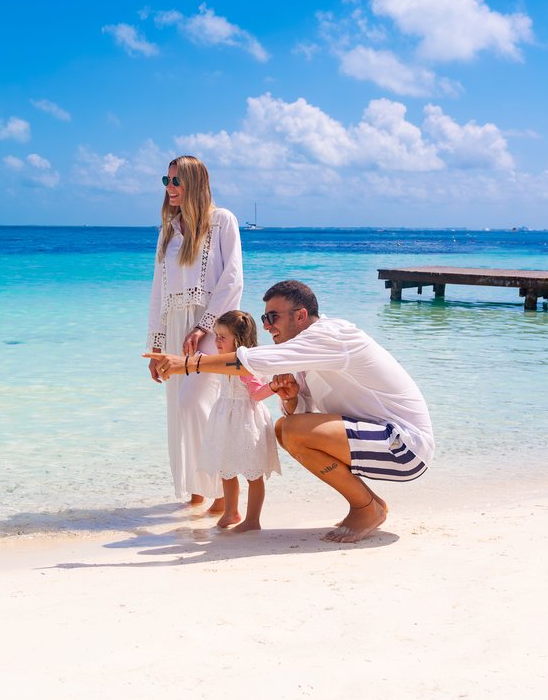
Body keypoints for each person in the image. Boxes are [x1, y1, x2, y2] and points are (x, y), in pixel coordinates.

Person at [146, 280, 432, 543]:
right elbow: (302, 413)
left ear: (301, 316)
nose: (268, 326)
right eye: (264, 318)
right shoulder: (308, 353)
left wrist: (187, 364)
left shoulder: (332, 335)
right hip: (378, 441)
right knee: (286, 428)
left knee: (292, 430)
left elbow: (254, 361)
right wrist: (293, 399)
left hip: (404, 446)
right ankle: (370, 505)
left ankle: (366, 508)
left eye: (273, 317)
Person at [145, 155, 244, 510]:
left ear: (194, 183)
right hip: (174, 329)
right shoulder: (168, 230)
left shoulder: (222, 222)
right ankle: (197, 490)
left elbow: (233, 280)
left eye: (176, 181)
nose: (169, 188)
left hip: (210, 327)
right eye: (166, 181)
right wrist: (156, 347)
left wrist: (205, 326)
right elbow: (159, 292)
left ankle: (221, 491)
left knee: (197, 406)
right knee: (179, 410)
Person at [200, 311, 281, 532]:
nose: (216, 341)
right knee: (226, 469)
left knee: (253, 474)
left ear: (239, 339)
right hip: (227, 420)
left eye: (222, 337)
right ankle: (231, 512)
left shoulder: (245, 365)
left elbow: (256, 393)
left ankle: (253, 519)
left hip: (246, 422)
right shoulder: (224, 362)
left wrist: (273, 387)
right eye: (216, 335)